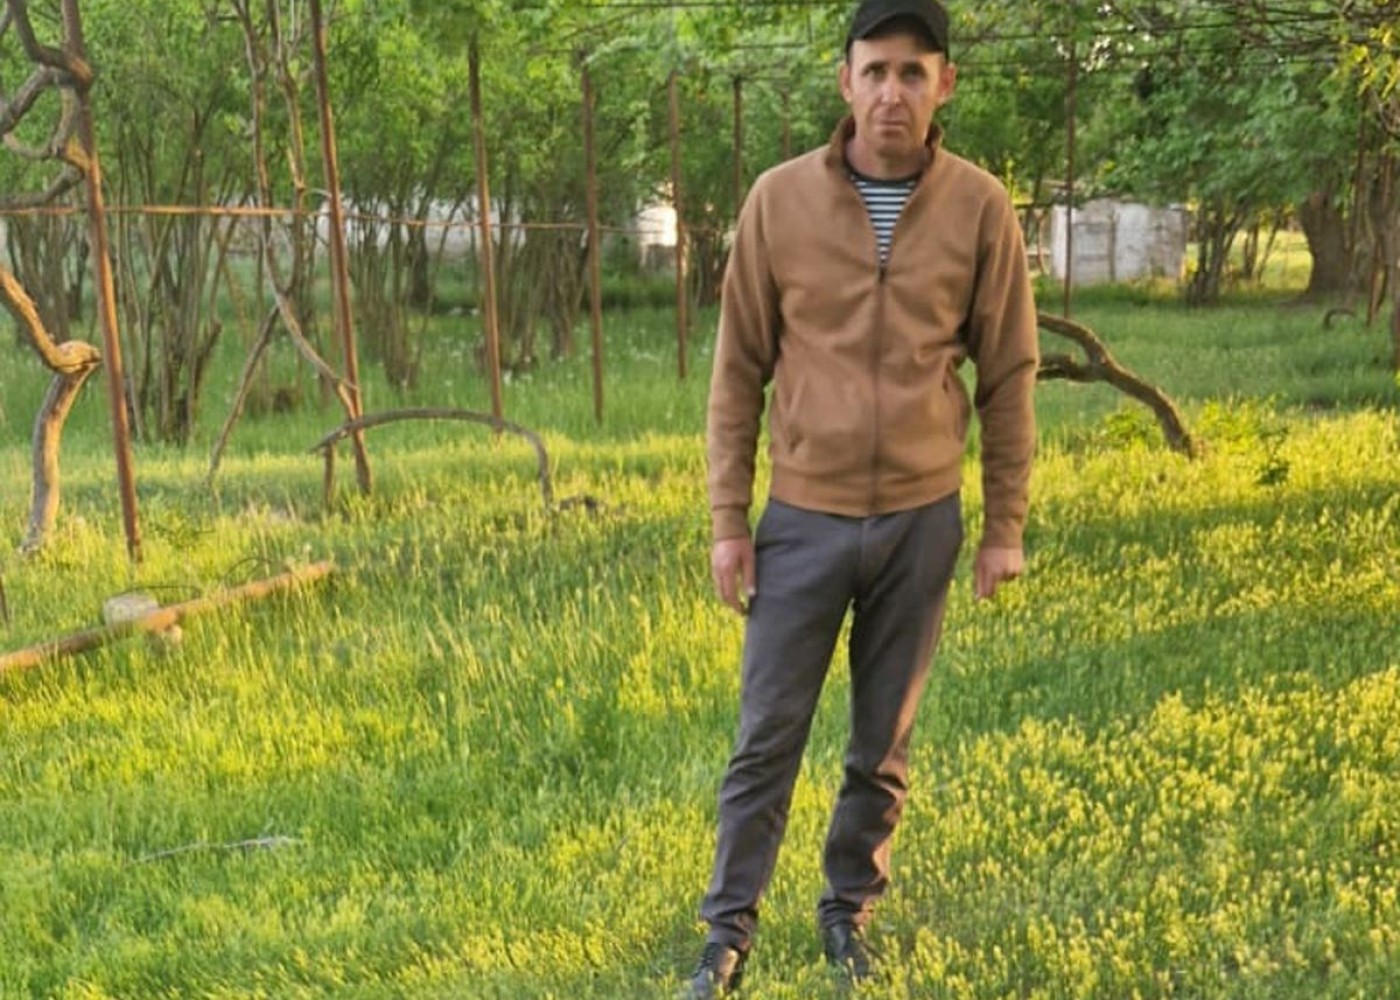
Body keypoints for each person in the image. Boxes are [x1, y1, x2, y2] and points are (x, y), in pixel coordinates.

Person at [685, 0, 1038, 994]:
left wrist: (1002, 526)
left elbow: (1008, 374)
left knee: (882, 742)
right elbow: (735, 371)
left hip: (921, 520)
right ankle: (726, 932)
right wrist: (728, 520)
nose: (892, 92)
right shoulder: (778, 201)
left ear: (943, 86)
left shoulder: (980, 209)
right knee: (766, 738)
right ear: (844, 81)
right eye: (874, 71)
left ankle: (847, 913)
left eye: (912, 73)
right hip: (802, 518)